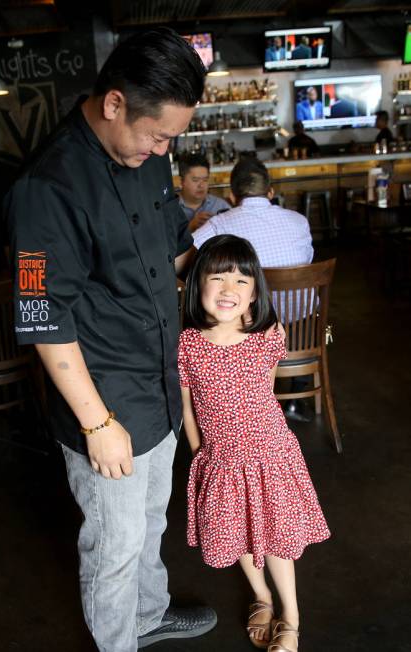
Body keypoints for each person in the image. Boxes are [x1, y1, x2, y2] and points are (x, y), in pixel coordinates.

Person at [4, 27, 216, 652]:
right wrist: (98, 425)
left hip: (160, 382)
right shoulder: (48, 188)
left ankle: (148, 617)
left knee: (151, 523)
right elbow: (44, 316)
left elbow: (170, 252)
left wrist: (232, 284)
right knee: (115, 545)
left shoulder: (150, 156)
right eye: (157, 136)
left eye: (171, 139)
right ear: (115, 102)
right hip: (107, 398)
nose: (162, 149)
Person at [178, 234, 330, 651]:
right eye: (218, 277)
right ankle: (261, 597)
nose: (229, 289)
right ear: (198, 284)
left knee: (277, 536)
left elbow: (266, 392)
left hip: (268, 454)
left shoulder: (265, 336)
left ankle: (292, 617)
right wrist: (199, 454)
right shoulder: (187, 342)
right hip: (220, 460)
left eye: (242, 280)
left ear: (255, 292)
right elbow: (189, 409)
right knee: (237, 533)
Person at [192, 158, 314, 423]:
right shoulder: (300, 221)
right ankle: (298, 398)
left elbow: (190, 261)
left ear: (231, 196)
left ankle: (230, 397)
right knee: (304, 310)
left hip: (249, 329)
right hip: (302, 330)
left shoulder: (218, 224)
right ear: (270, 193)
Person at [178, 153, 231, 232]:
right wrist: (190, 227)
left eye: (205, 180)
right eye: (195, 180)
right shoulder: (170, 209)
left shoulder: (221, 206)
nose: (201, 185)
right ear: (181, 182)